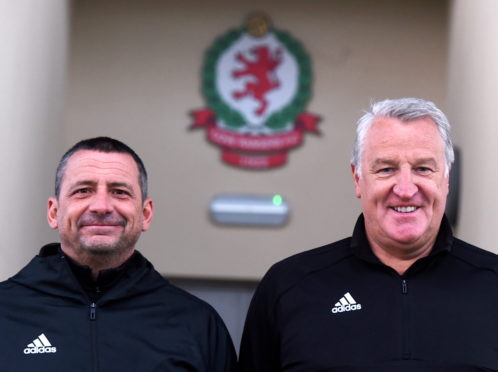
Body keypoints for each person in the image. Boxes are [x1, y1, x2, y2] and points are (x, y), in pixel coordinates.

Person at [237, 98, 498, 371]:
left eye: (423, 168)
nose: (406, 189)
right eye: (386, 169)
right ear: (357, 178)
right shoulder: (288, 286)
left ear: (446, 179)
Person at [0, 137, 236, 371]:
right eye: (83, 190)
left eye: (120, 192)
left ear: (146, 213)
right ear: (54, 212)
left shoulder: (197, 323)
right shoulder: (6, 310)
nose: (101, 206)